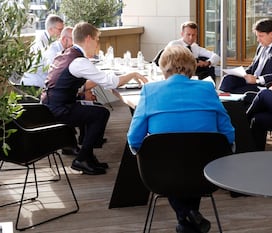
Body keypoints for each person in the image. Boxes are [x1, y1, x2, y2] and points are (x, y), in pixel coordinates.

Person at [127, 45, 235, 233]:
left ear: (163, 67)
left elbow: (134, 139)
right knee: (193, 159)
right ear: (192, 67)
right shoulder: (207, 88)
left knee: (172, 161)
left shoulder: (149, 91)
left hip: (161, 173)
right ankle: (191, 214)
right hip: (205, 171)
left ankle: (186, 216)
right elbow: (228, 133)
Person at [41, 22, 148, 175]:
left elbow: (67, 83)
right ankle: (82, 158)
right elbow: (110, 82)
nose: (98, 44)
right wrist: (133, 75)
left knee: (94, 108)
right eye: (97, 40)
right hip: (59, 109)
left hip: (49, 105)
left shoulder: (67, 54)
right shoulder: (79, 61)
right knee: (101, 113)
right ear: (89, 39)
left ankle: (88, 156)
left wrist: (84, 90)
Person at [219, 18, 272, 94]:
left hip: (263, 85)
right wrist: (242, 74)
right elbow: (253, 66)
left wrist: (257, 79)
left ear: (271, 34)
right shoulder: (261, 46)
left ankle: (224, 102)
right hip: (252, 81)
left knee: (234, 92)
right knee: (228, 78)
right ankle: (217, 100)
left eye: (261, 36)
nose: (258, 40)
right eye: (257, 36)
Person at [20, 14, 65, 89]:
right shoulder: (41, 43)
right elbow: (52, 66)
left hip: (39, 81)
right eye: (60, 30)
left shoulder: (51, 40)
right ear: (51, 29)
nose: (62, 33)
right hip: (33, 85)